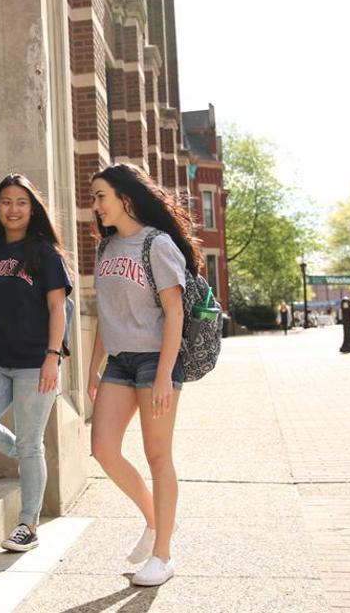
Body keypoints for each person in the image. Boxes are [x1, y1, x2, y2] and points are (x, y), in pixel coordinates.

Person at [86, 163, 203, 587]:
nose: (94, 205)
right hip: (119, 361)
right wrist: (94, 364)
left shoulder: (157, 244)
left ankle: (163, 555)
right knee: (102, 448)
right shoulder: (106, 248)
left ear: (125, 198)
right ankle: (154, 520)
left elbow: (174, 312)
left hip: (157, 359)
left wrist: (164, 375)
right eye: (94, 197)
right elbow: (107, 312)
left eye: (101, 196)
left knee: (158, 457)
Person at [0, 174, 72, 552]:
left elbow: (58, 307)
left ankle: (28, 524)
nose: (13, 208)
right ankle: (23, 454)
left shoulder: (44, 253)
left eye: (21, 201)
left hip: (36, 363)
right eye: (6, 201)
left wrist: (53, 357)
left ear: (31, 208)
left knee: (31, 442)